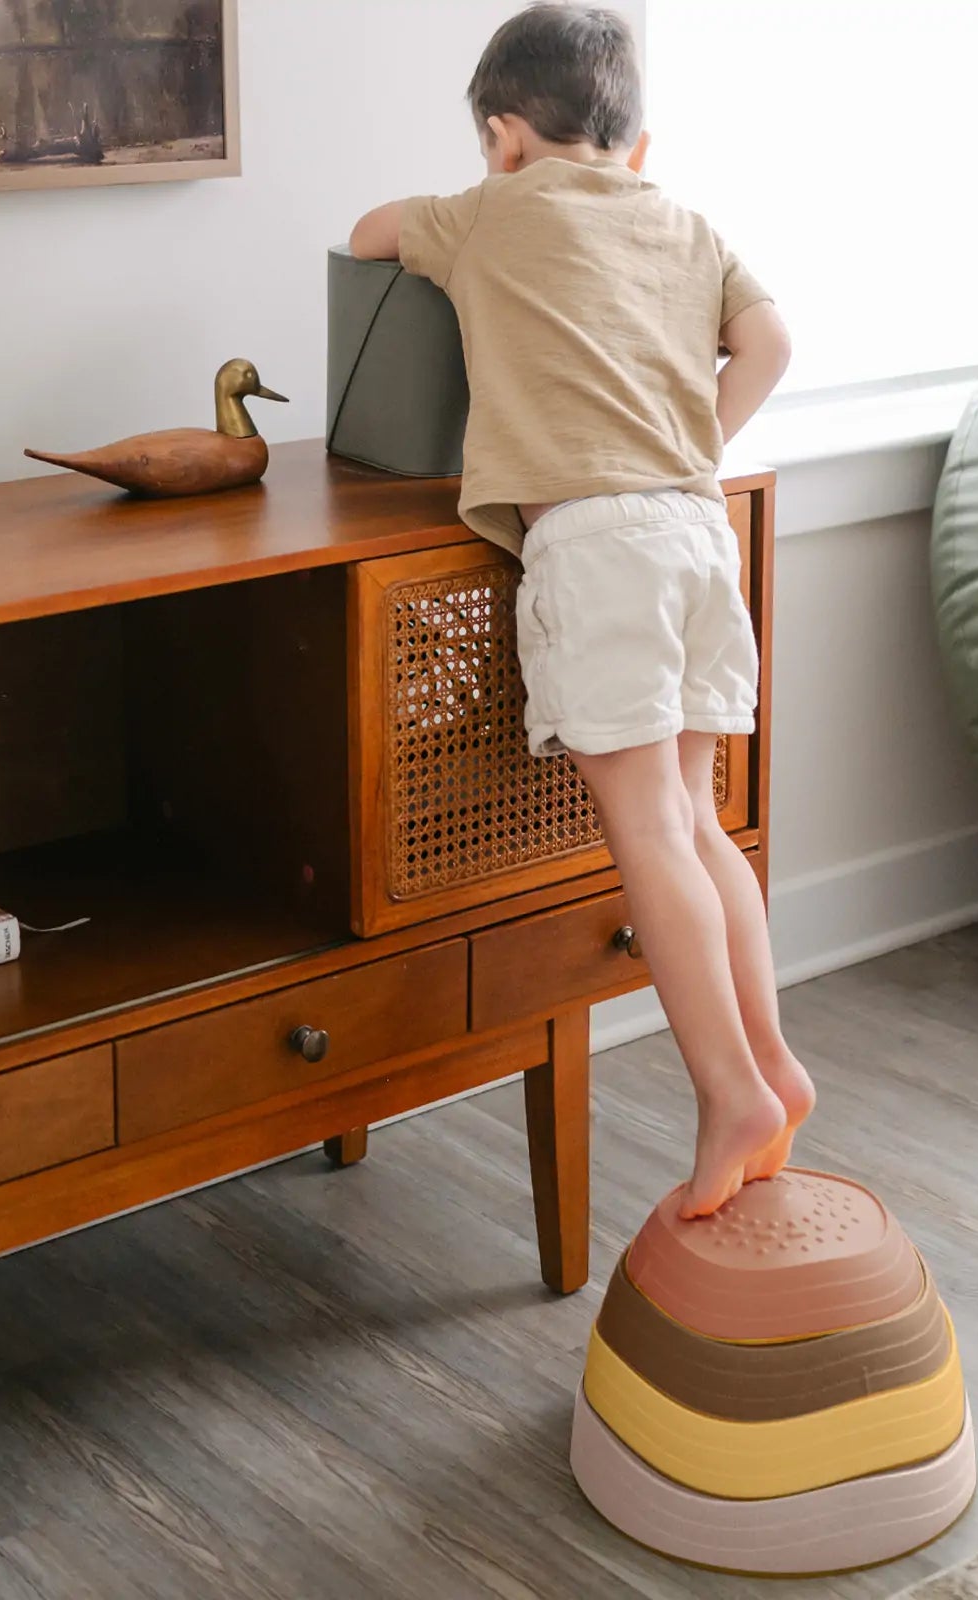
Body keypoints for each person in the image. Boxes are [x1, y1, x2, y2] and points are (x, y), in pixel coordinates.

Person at [349, 3, 808, 1218]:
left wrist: (481, 187)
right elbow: (768, 343)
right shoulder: (686, 221)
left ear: (503, 137)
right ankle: (772, 1060)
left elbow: (367, 232)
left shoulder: (490, 209)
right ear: (635, 142)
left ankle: (730, 1094)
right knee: (702, 824)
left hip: (597, 547)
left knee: (647, 830)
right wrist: (685, 444)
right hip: (699, 533)